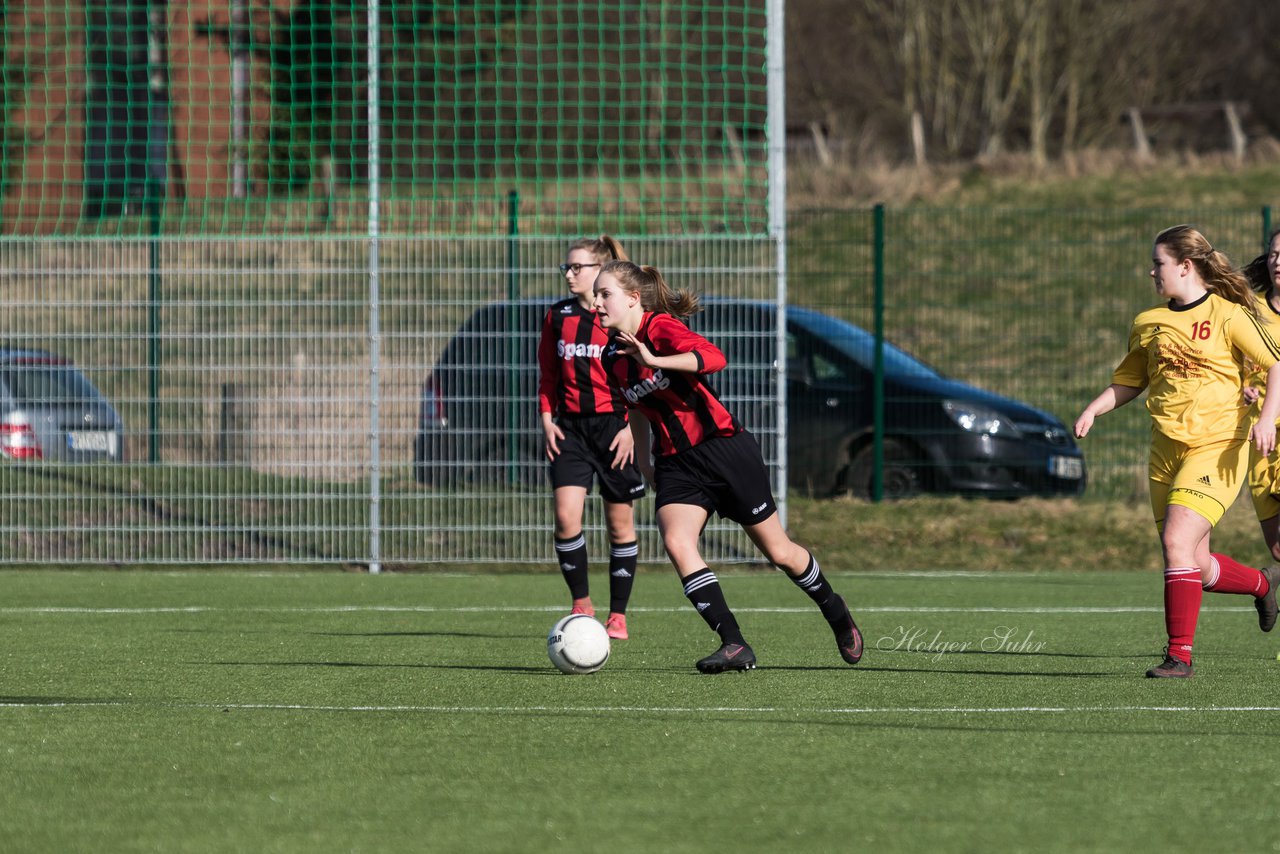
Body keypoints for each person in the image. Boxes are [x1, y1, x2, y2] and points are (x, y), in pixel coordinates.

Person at [592, 260, 863, 673]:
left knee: (780, 552)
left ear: (633, 298)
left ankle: (835, 610)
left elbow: (714, 358)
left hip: (723, 450)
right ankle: (734, 643)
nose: (596, 302)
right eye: (596, 294)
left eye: (604, 293)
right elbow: (638, 409)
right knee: (678, 543)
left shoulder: (659, 328)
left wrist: (655, 358)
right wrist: (645, 460)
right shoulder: (612, 355)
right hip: (676, 464)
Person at [1075, 225, 1280, 678]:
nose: (1152, 272)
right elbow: (1129, 380)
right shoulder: (1148, 323)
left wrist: (1265, 418)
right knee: (1193, 559)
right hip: (1165, 454)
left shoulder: (1230, 315)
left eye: (1159, 263)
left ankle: (1179, 656)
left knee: (1175, 543)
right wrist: (1095, 408)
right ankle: (1262, 584)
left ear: (1185, 266)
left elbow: (1275, 365)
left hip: (1218, 447)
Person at [537, 235, 646, 640]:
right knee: (566, 517)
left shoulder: (619, 319)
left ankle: (618, 615)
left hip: (615, 430)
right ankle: (581, 604)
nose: (569, 273)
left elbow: (639, 377)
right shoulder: (557, 316)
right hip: (570, 430)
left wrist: (632, 429)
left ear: (599, 270)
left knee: (619, 526)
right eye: (566, 267)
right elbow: (548, 373)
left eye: (576, 267)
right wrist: (547, 418)